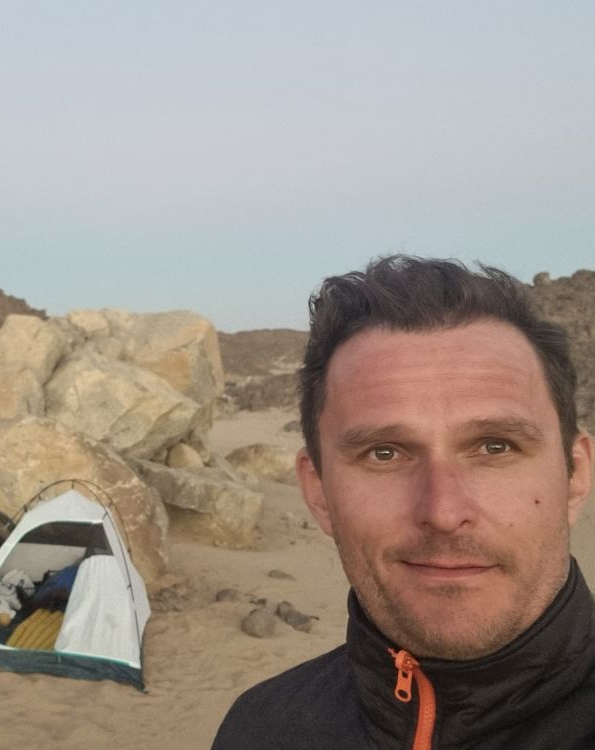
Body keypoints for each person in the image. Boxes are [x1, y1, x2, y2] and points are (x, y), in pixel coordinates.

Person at [212, 256, 595, 749]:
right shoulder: (259, 729)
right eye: (385, 453)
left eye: (495, 446)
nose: (443, 512)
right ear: (318, 492)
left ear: (575, 474)